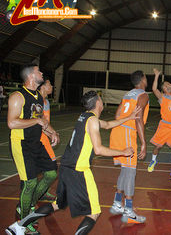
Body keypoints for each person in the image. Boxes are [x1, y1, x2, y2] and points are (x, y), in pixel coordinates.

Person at [5, 91, 140, 235]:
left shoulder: (84, 117)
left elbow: (107, 124)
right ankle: (19, 226)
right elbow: (99, 149)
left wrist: (129, 117)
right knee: (94, 212)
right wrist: (123, 152)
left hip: (66, 167)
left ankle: (18, 226)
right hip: (79, 170)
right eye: (100, 99)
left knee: (57, 204)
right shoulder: (92, 120)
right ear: (98, 103)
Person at [7, 64, 59, 234]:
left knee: (51, 172)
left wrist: (52, 132)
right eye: (39, 71)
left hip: (36, 143)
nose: (42, 73)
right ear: (30, 76)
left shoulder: (38, 97)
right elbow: (12, 123)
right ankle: (23, 221)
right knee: (30, 182)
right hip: (21, 144)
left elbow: (41, 119)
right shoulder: (17, 96)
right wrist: (36, 122)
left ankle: (27, 206)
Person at [109, 70, 149, 224]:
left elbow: (117, 114)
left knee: (125, 170)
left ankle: (117, 203)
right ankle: (129, 210)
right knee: (131, 172)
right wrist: (143, 142)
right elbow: (138, 118)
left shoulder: (128, 94)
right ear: (143, 79)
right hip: (127, 132)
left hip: (118, 130)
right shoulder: (143, 95)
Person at [148, 60, 171, 181]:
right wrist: (157, 75)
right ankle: (153, 161)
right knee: (158, 146)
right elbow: (153, 88)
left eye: (169, 83)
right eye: (167, 84)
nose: (170, 84)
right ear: (164, 88)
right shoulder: (162, 98)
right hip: (164, 125)